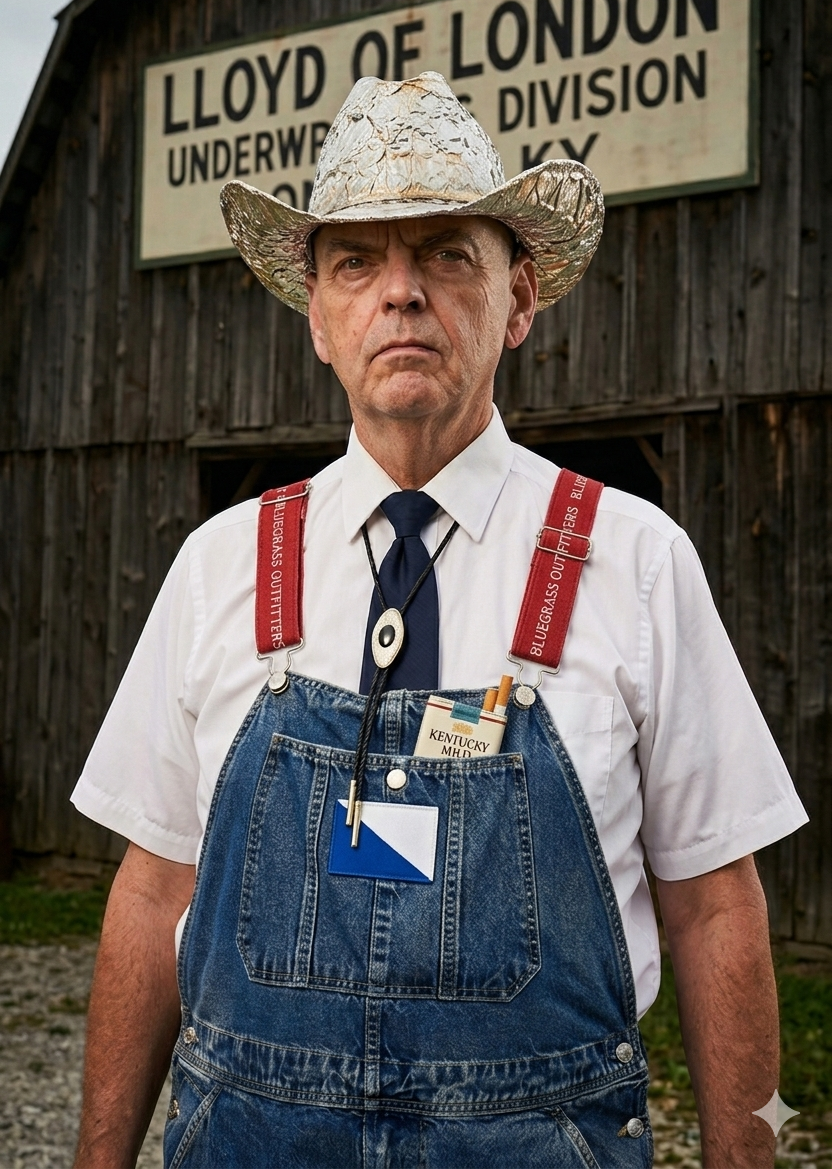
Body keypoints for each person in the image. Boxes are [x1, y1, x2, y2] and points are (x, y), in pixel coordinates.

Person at [71, 72, 807, 1169]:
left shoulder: (634, 560)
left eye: (446, 254)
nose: (399, 294)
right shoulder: (221, 564)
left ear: (517, 302)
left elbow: (713, 906)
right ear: (317, 318)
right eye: (357, 262)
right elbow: (152, 890)